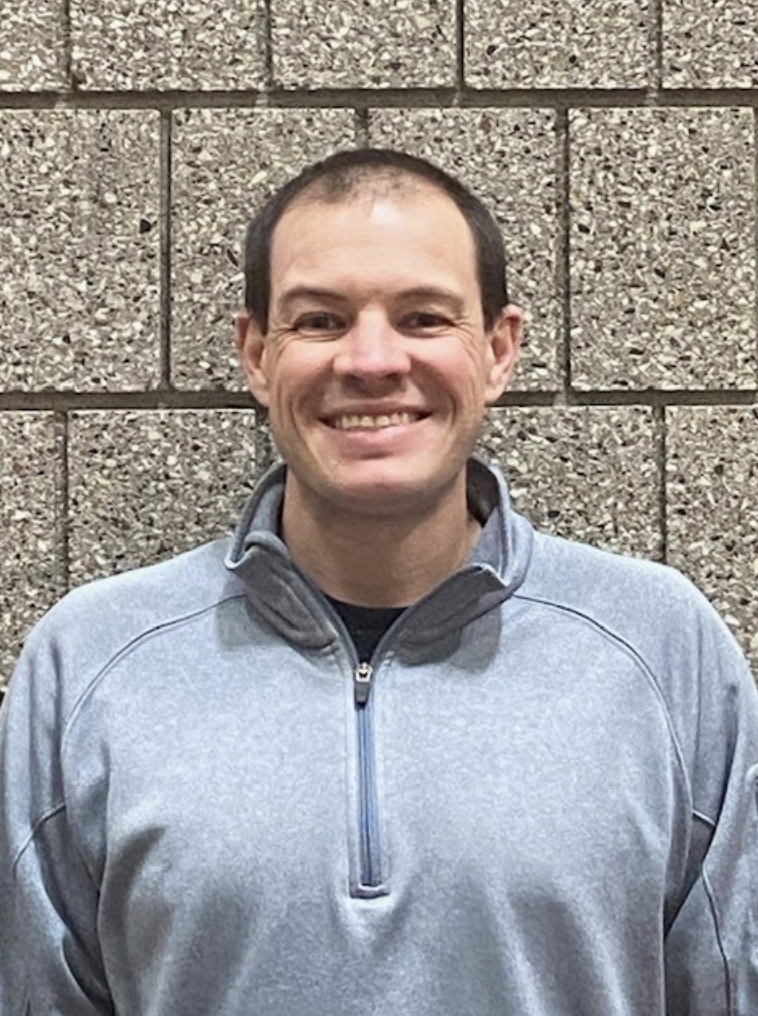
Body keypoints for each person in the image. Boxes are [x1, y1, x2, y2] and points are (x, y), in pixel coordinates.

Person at [1, 148, 756, 1016]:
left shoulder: (661, 649)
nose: (370, 360)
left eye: (424, 318)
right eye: (320, 320)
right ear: (256, 354)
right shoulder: (90, 664)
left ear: (499, 351)